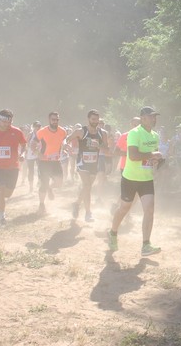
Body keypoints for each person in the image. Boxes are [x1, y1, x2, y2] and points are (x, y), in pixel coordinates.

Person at [108, 107, 164, 256]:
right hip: (130, 178)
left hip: (146, 179)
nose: (154, 119)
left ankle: (146, 245)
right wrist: (152, 154)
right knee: (124, 208)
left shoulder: (155, 136)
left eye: (155, 116)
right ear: (143, 118)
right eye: (151, 116)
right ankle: (113, 233)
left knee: (149, 210)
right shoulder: (134, 133)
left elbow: (152, 157)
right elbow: (132, 156)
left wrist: (156, 162)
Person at [68, 109, 108, 222]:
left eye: (97, 120)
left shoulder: (103, 133)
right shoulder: (81, 131)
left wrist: (99, 145)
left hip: (94, 164)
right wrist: (66, 146)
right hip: (82, 162)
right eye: (93, 119)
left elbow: (108, 150)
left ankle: (76, 204)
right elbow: (66, 139)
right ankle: (88, 213)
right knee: (87, 186)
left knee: (87, 187)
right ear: (88, 119)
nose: (95, 122)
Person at [35, 112, 67, 213]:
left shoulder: (62, 131)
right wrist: (38, 154)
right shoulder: (42, 131)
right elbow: (32, 144)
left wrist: (65, 147)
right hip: (44, 161)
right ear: (49, 120)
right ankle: (41, 204)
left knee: (59, 183)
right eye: (53, 119)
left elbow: (63, 141)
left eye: (57, 119)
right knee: (44, 183)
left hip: (56, 161)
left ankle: (50, 188)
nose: (55, 121)